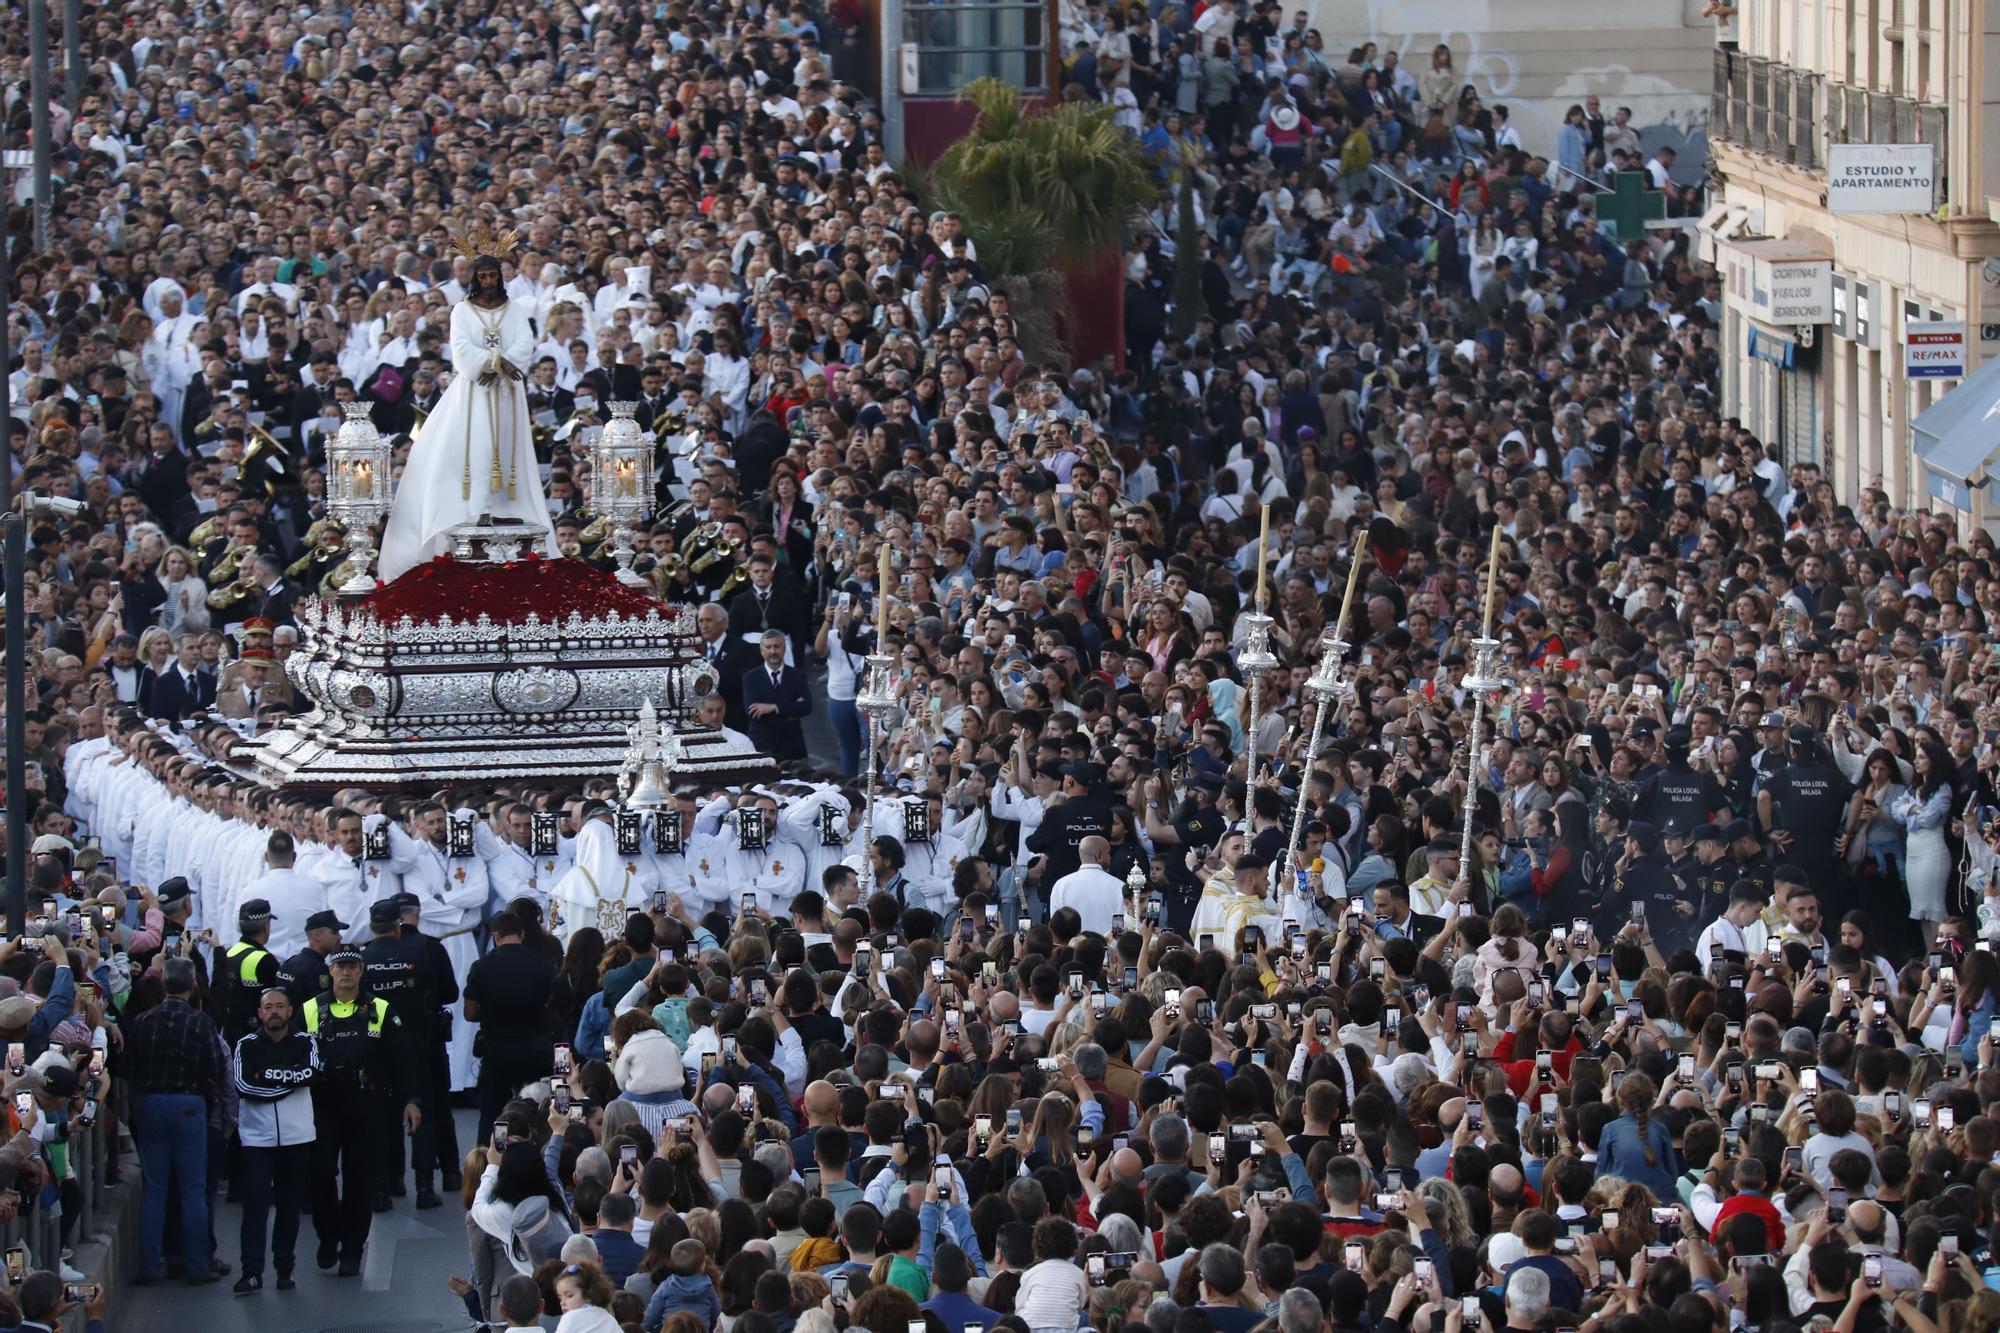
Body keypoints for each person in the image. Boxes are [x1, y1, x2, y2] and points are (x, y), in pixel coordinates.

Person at [378, 231, 557, 580]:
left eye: (494, 275)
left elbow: (525, 342)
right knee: (474, 447)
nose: (489, 280)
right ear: (476, 278)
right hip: (475, 390)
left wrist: (502, 364)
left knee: (506, 447)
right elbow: (460, 348)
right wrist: (490, 364)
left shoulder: (515, 309)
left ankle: (506, 504)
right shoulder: (461, 310)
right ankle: (476, 507)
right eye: (484, 275)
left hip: (506, 392)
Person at [303, 942, 421, 1276]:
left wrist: (412, 1100)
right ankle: (328, 1238)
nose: (346, 972)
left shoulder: (380, 1009)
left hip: (367, 1105)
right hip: (322, 1107)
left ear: (361, 971)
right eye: (340, 966)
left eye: (353, 966)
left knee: (361, 1181)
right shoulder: (311, 1008)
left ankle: (353, 1249)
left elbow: (404, 1060)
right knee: (321, 1175)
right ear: (330, 971)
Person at [125, 956, 225, 1287]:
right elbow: (215, 1067)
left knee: (154, 1189)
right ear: (193, 985)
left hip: (151, 1103)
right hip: (189, 1103)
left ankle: (150, 1267)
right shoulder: (200, 1022)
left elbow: (130, 1068)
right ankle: (197, 1265)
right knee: (192, 1189)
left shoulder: (142, 1021)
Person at [231, 987, 319, 1294]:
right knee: (254, 1208)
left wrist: (268, 1076)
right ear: (260, 1013)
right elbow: (243, 1084)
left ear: (290, 1011)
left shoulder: (306, 1042)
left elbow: (311, 1074)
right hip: (256, 1140)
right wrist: (285, 1082)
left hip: (297, 1138)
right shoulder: (246, 1045)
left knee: (289, 1208)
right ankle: (251, 1271)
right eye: (268, 1007)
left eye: (280, 1006)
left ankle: (285, 1268)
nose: (274, 1012)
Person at [464, 909, 557, 1150]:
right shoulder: (543, 967)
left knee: (492, 1113)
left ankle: (491, 1163)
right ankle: (535, 1156)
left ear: (495, 936)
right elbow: (553, 1008)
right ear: (522, 934)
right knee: (535, 1108)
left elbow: (469, 1012)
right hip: (533, 1049)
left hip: (497, 1049)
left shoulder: (482, 967)